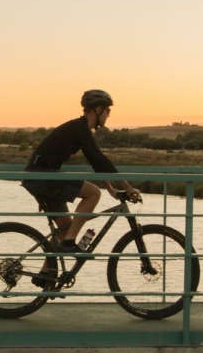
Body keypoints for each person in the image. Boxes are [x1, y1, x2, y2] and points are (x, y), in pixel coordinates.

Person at [21, 89, 141, 262]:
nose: (109, 115)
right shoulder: (80, 129)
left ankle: (46, 278)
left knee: (65, 228)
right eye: (108, 111)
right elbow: (101, 160)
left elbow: (96, 162)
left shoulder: (80, 129)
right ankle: (69, 242)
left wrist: (111, 189)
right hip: (42, 175)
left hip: (39, 176)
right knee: (93, 193)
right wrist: (128, 188)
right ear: (98, 109)